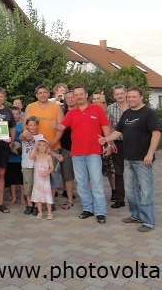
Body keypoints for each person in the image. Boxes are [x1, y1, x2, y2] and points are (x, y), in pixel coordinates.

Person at [99, 86, 161, 232]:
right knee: (130, 190)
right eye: (129, 97)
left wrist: (150, 154)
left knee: (145, 191)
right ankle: (135, 215)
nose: (131, 99)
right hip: (128, 158)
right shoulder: (127, 114)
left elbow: (156, 134)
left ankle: (148, 221)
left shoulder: (149, 113)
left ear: (141, 97)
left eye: (134, 97)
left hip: (143, 159)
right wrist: (106, 139)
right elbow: (118, 131)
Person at [55, 86, 112, 224]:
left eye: (81, 94)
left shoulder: (97, 109)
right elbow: (61, 127)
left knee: (97, 182)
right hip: (77, 153)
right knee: (81, 183)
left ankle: (100, 212)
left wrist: (108, 144)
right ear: (73, 97)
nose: (79, 97)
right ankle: (87, 208)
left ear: (86, 95)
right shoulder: (71, 112)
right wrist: (53, 125)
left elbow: (106, 126)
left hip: (93, 152)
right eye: (76, 95)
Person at [22, 84, 64, 211]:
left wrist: (52, 143)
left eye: (45, 92)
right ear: (36, 95)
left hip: (52, 147)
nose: (42, 95)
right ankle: (36, 202)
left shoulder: (56, 107)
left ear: (49, 93)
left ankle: (50, 201)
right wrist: (27, 134)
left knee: (52, 176)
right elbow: (25, 126)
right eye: (39, 93)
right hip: (35, 150)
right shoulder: (30, 107)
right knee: (36, 176)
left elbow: (61, 127)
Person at [107, 85, 129, 208]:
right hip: (118, 143)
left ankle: (136, 198)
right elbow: (109, 126)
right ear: (114, 95)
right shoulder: (111, 108)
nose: (119, 96)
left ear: (125, 93)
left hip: (132, 144)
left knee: (134, 171)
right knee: (119, 172)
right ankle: (120, 199)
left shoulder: (133, 106)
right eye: (117, 94)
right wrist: (111, 142)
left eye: (121, 93)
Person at [30, 138, 62, 220]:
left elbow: (52, 167)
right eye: (40, 145)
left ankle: (49, 212)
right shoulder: (36, 156)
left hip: (45, 180)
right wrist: (34, 147)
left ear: (47, 147)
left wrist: (47, 172)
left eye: (44, 145)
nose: (42, 147)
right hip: (37, 181)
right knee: (38, 197)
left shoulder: (48, 157)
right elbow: (31, 156)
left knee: (47, 196)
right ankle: (40, 212)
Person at [93, 91, 115, 203]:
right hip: (93, 145)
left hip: (105, 143)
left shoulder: (105, 110)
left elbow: (108, 123)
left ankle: (114, 191)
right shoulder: (90, 110)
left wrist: (110, 143)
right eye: (94, 98)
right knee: (95, 172)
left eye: (98, 98)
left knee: (110, 170)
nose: (96, 100)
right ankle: (95, 193)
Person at [21, 116, 45, 215]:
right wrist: (26, 133)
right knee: (28, 184)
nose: (32, 127)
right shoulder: (24, 135)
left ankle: (36, 205)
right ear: (26, 126)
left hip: (38, 165)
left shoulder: (41, 137)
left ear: (37, 126)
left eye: (34, 125)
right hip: (26, 165)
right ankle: (29, 204)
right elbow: (22, 137)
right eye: (30, 125)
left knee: (37, 185)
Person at [59, 90, 76, 209]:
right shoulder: (62, 113)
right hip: (66, 147)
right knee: (67, 175)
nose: (70, 99)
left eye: (72, 97)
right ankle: (69, 199)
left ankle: (90, 199)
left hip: (82, 149)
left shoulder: (82, 111)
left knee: (86, 177)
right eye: (67, 98)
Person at [6, 106, 25, 206]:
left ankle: (22, 197)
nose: (15, 116)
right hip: (10, 157)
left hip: (21, 157)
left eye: (17, 114)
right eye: (13, 114)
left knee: (22, 179)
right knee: (11, 179)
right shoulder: (7, 126)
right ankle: (13, 197)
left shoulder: (22, 125)